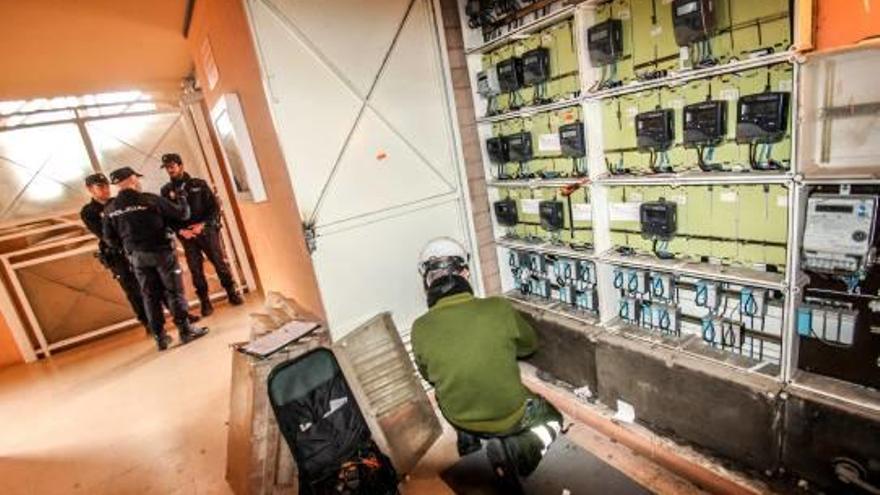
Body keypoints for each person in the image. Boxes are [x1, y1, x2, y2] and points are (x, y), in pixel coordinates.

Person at [410, 237, 563, 489]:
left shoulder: (419, 328)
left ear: (428, 282)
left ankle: (468, 440)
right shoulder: (498, 308)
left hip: (458, 415)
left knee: (445, 387)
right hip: (510, 416)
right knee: (552, 417)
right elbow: (529, 345)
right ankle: (517, 452)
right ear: (465, 274)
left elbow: (429, 376)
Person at [103, 166, 208, 351]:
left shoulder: (110, 208)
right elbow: (183, 214)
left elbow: (109, 239)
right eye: (137, 178)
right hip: (161, 252)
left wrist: (129, 248)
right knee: (173, 291)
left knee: (149, 295)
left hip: (137, 257)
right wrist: (182, 197)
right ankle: (185, 330)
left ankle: (160, 338)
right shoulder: (150, 200)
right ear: (133, 179)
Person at [80, 174, 200, 335]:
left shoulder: (117, 203)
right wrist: (131, 243)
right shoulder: (89, 211)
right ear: (90, 190)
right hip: (119, 256)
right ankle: (148, 324)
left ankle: (177, 317)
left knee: (160, 285)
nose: (105, 189)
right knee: (135, 291)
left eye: (106, 186)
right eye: (100, 187)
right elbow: (104, 235)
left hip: (137, 251)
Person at [159, 153, 242, 316]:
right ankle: (205, 301)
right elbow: (167, 216)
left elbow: (214, 208)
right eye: (167, 168)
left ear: (180, 165)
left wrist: (203, 225)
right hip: (187, 236)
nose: (170, 170)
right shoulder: (166, 190)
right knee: (195, 269)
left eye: (172, 166)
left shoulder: (199, 184)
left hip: (206, 231)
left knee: (219, 263)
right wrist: (181, 231)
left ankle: (232, 292)